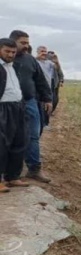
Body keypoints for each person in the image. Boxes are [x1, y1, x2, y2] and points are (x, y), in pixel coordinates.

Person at [9, 30, 52, 183]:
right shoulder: (5, 60)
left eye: (28, 43)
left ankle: (34, 169)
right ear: (13, 41)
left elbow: (40, 80)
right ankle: (10, 173)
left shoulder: (30, 60)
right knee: (10, 137)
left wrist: (47, 99)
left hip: (29, 102)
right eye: (23, 43)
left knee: (33, 135)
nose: (27, 46)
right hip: (8, 105)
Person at [0, 39, 30, 192]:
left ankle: (13, 177)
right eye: (7, 51)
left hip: (17, 107)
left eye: (13, 52)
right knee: (1, 144)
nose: (11, 55)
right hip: (2, 109)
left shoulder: (14, 66)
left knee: (19, 141)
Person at [35, 46, 55, 128]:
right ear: (38, 52)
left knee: (47, 105)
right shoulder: (34, 61)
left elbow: (57, 68)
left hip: (47, 87)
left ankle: (45, 123)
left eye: (45, 51)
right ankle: (39, 123)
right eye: (42, 51)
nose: (44, 53)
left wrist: (57, 62)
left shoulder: (49, 63)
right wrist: (37, 58)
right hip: (37, 88)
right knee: (39, 106)